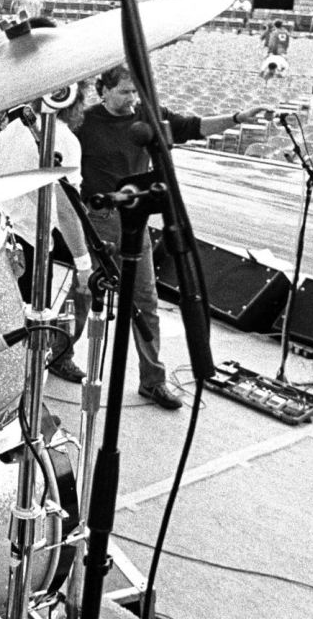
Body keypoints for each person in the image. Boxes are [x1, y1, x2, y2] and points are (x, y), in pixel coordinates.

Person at [78, 65, 267, 409]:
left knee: (146, 301)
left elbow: (193, 127)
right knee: (85, 293)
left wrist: (238, 117)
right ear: (102, 91)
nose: (133, 99)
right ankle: (59, 354)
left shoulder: (150, 116)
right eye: (124, 92)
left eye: (136, 92)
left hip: (135, 222)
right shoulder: (84, 123)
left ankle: (153, 381)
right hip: (98, 221)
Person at [0, 75, 92, 383]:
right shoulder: (65, 141)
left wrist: (15, 180)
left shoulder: (16, 127)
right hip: (32, 243)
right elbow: (66, 210)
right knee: (27, 329)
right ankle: (19, 392)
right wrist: (83, 264)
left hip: (1, 235)